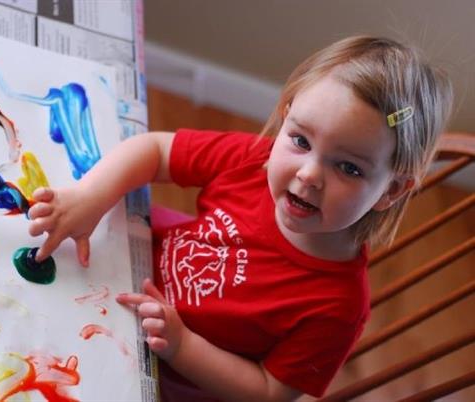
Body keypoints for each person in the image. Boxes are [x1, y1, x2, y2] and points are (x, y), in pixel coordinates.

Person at [27, 36, 453, 401]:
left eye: (349, 168)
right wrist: (89, 196)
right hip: (119, 270)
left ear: (392, 190)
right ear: (285, 116)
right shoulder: (256, 160)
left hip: (163, 377)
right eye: (301, 140)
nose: (309, 175)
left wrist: (182, 346)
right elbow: (156, 151)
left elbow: (268, 391)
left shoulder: (337, 308)